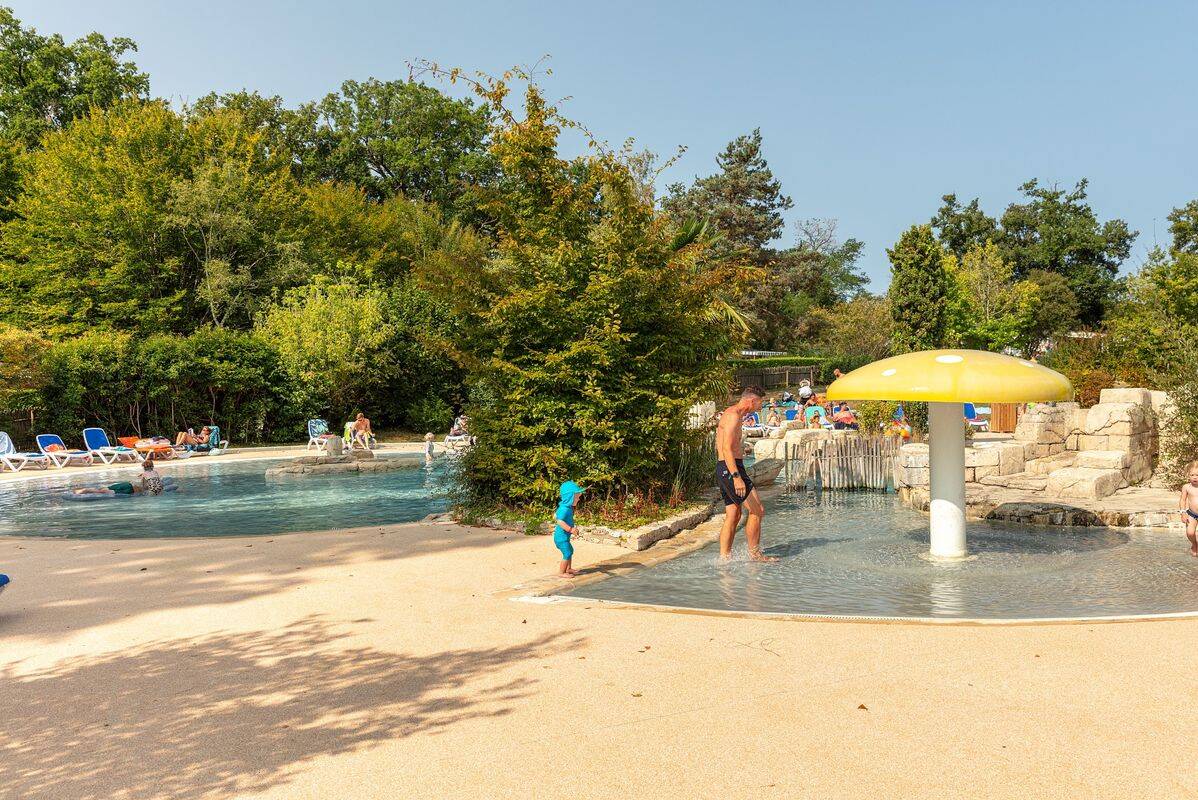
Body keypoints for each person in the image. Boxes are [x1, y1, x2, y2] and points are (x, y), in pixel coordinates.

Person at [715, 385, 776, 562]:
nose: (760, 406)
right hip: (730, 468)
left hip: (726, 466)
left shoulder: (732, 413)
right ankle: (755, 555)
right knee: (757, 510)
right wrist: (737, 478)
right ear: (751, 400)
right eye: (760, 402)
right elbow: (726, 448)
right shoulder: (733, 416)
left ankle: (724, 558)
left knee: (734, 514)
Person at [554, 480, 586, 577]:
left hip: (564, 537)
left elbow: (555, 515)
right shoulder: (564, 509)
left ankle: (569, 569)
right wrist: (570, 529)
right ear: (570, 497)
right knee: (567, 553)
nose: (578, 499)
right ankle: (562, 572)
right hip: (561, 538)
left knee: (570, 551)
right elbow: (559, 521)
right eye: (577, 497)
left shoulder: (567, 508)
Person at [1179, 461, 1198, 556]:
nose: (1195, 477)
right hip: (1192, 514)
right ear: (1188, 475)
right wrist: (1183, 512)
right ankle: (1195, 544)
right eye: (1192, 475)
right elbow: (1182, 500)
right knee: (1190, 533)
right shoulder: (1186, 487)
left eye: (1197, 475)